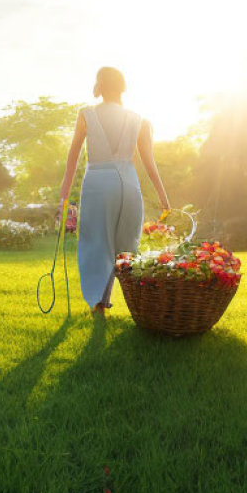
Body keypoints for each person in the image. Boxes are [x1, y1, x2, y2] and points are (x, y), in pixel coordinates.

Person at [58, 67, 170, 317]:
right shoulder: (138, 119)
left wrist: (64, 195)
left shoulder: (86, 114)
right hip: (129, 186)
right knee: (126, 246)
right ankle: (138, 302)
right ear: (123, 87)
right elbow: (150, 163)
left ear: (99, 86)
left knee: (97, 244)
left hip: (98, 184)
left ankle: (99, 303)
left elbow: (73, 157)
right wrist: (164, 198)